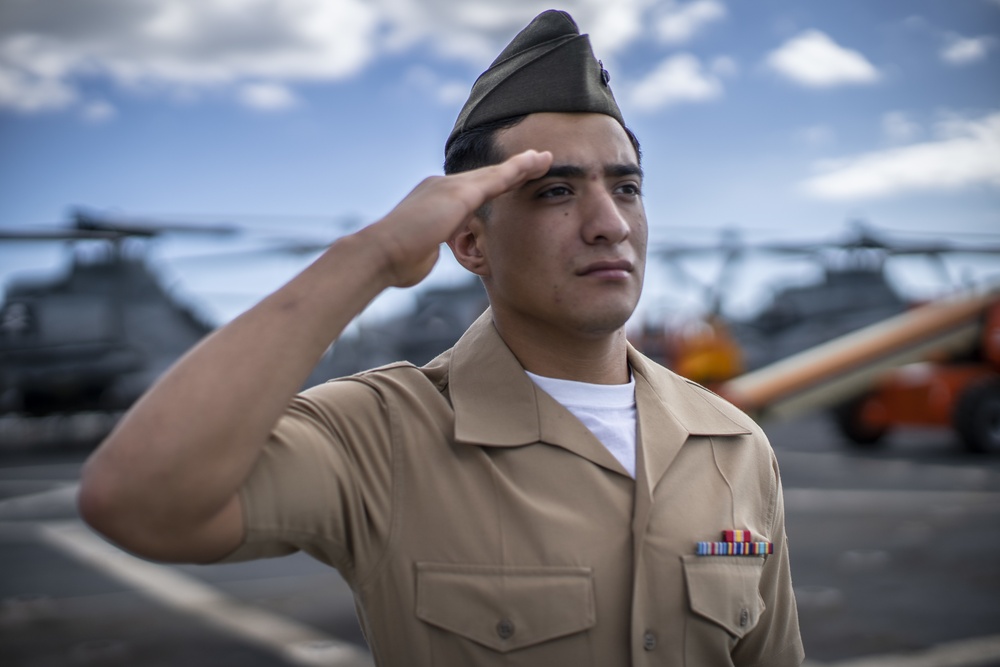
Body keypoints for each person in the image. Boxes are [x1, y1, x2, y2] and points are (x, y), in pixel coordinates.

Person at [78, 9, 804, 666]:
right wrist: (372, 255)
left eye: (626, 187)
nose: (609, 222)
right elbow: (136, 500)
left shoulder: (734, 446)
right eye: (556, 190)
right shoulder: (383, 435)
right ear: (469, 241)